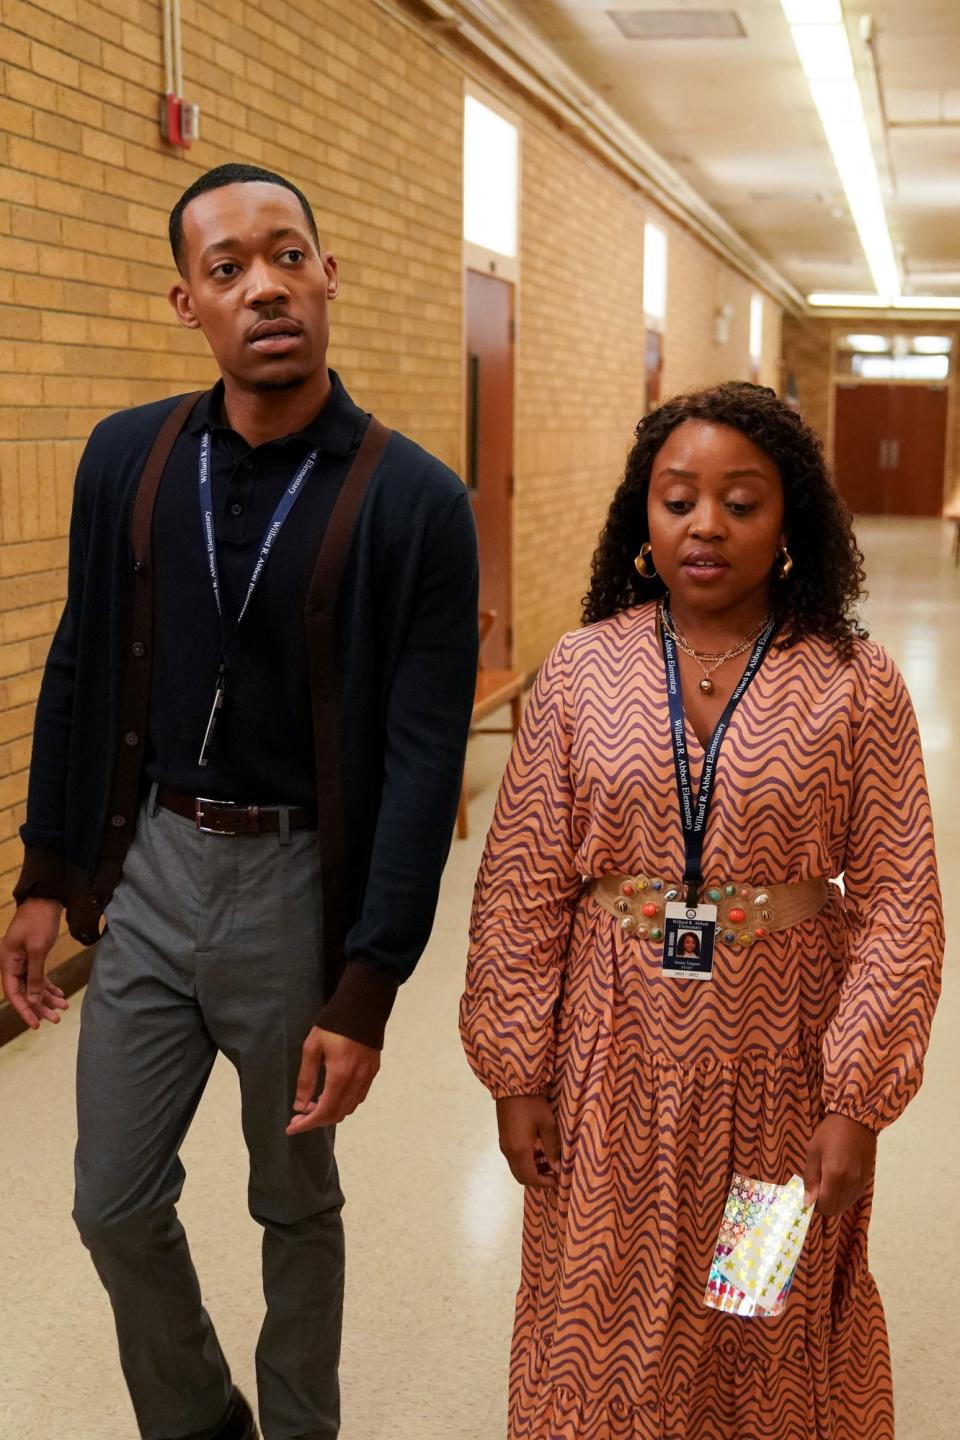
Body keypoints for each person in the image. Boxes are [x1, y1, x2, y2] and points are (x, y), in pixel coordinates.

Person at [1, 162, 479, 1440]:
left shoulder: (416, 502)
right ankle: (201, 1421)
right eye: (228, 268)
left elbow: (427, 758)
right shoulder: (127, 458)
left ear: (329, 275)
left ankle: (298, 1426)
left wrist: (368, 982)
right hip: (151, 868)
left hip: (290, 883)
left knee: (292, 1201)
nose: (263, 284)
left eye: (286, 255)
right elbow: (80, 661)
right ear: (187, 303)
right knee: (110, 1199)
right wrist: (48, 869)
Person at [461, 382, 943, 1440]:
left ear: (790, 524)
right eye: (678, 500)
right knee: (599, 1314)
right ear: (644, 518)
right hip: (606, 1072)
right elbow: (524, 884)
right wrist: (516, 1073)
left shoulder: (853, 682)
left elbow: (902, 899)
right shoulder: (584, 672)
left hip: (780, 1081)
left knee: (755, 1312)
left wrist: (857, 1098)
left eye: (742, 501)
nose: (707, 526)